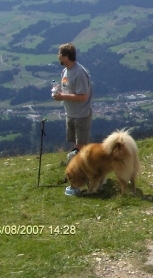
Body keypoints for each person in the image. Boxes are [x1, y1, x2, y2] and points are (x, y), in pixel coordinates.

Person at [53, 43, 93, 195]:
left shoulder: (79, 73)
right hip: (70, 114)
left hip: (81, 115)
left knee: (80, 149)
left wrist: (62, 96)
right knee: (76, 147)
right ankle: (79, 175)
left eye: (60, 54)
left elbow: (83, 96)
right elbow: (67, 89)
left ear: (66, 56)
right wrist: (58, 91)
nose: (58, 56)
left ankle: (80, 181)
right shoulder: (65, 71)